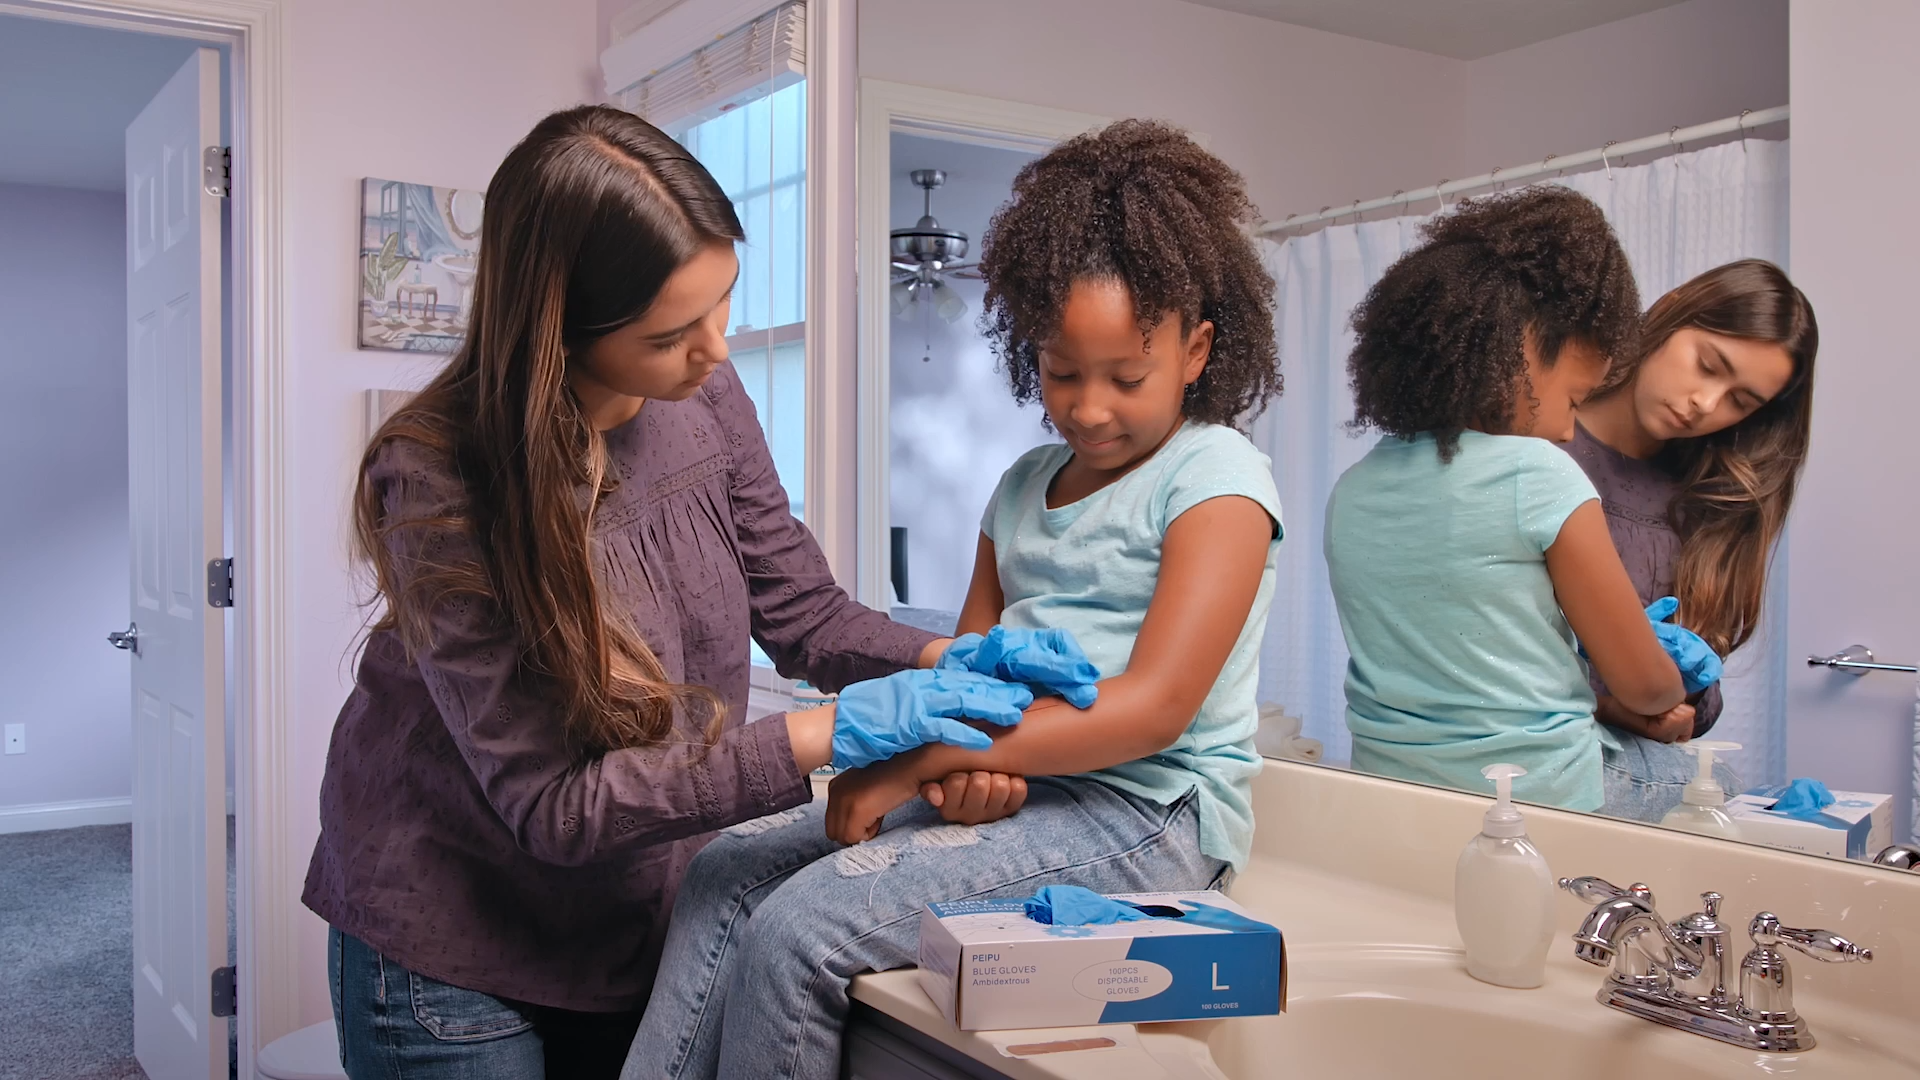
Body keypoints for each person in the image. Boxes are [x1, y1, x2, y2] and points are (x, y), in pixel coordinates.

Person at [302, 106, 1093, 1079]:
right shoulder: (439, 475)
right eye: (674, 331)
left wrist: (944, 660)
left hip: (635, 914)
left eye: (724, 303)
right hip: (455, 944)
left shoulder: (706, 400)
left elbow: (805, 617)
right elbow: (556, 808)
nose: (717, 349)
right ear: (563, 327)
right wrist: (832, 732)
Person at [620, 119, 1285, 1080]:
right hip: (1031, 791)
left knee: (798, 933)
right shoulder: (1022, 486)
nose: (1089, 406)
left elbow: (1152, 712)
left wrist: (912, 769)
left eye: (1125, 377)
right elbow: (968, 686)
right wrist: (961, 770)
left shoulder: (1217, 478)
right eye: (1062, 372)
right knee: (720, 874)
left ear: (1197, 352)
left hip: (1148, 814)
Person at [1324, 187, 1721, 811]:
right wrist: (1673, 685)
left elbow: (1475, 684)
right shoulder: (1539, 473)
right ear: (1523, 349)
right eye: (1573, 398)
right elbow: (1644, 686)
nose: (1569, 431)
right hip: (1538, 791)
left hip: (1390, 789)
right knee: (1729, 795)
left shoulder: (1353, 490)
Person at [1569, 259, 1818, 820]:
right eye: (1708, 365)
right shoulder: (1537, 445)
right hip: (1530, 771)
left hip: (1632, 791)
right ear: (1675, 308)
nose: (1706, 403)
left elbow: (1702, 679)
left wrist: (1685, 704)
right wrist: (1607, 706)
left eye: (1740, 401)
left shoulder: (1710, 502)